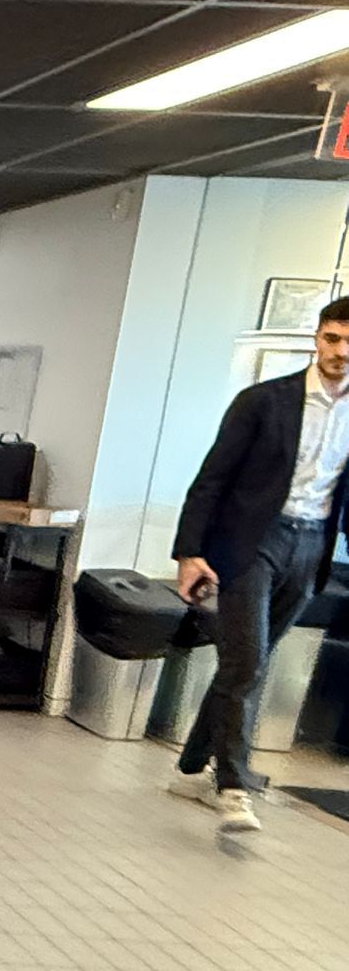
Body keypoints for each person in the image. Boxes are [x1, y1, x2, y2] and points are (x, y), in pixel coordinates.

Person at [170, 296, 349, 835]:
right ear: (317, 339)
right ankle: (232, 785)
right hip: (253, 543)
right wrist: (189, 552)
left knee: (246, 664)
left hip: (313, 546)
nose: (341, 352)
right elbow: (212, 479)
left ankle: (192, 767)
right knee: (246, 664)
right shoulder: (263, 402)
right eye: (332, 339)